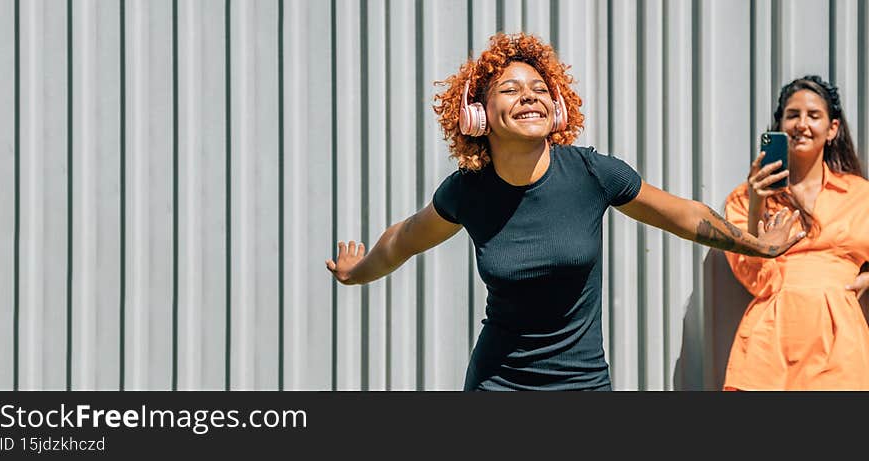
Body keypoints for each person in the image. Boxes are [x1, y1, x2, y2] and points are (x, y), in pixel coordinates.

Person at [326, 32, 803, 391]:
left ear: (555, 107)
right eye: (509, 90)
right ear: (477, 114)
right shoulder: (468, 192)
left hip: (582, 385)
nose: (528, 95)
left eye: (538, 88)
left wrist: (758, 244)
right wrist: (357, 271)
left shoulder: (592, 174)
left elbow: (681, 215)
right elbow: (402, 240)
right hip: (498, 384)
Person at [722, 75, 869, 390]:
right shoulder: (744, 198)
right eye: (793, 115)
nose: (802, 124)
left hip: (839, 342)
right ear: (779, 126)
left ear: (832, 129)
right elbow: (754, 279)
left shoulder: (860, 195)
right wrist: (757, 203)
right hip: (769, 344)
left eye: (813, 116)